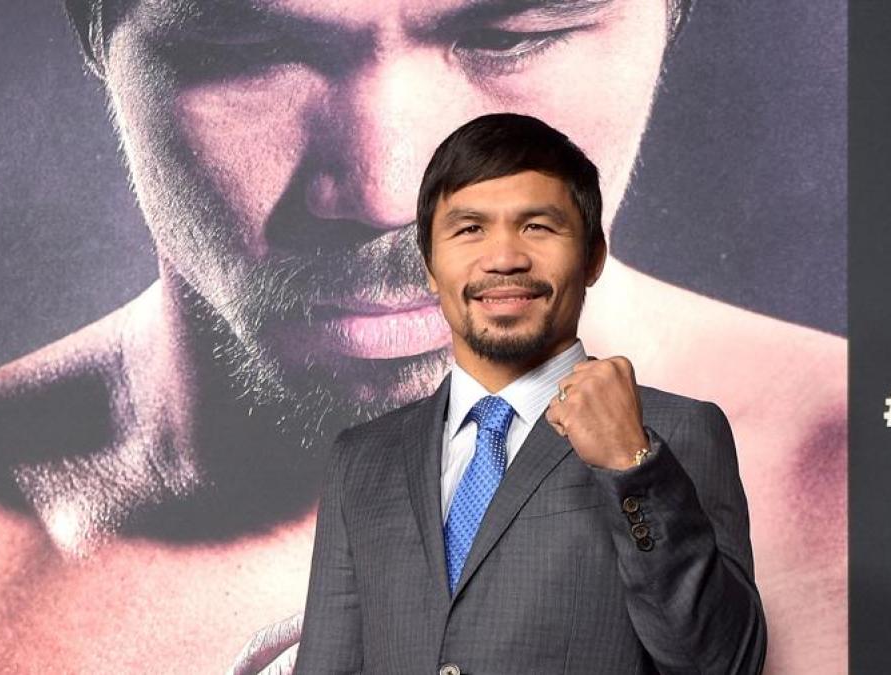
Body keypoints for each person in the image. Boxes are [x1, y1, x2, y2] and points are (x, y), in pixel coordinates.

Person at [0, 0, 841, 672]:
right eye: (245, 45)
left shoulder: (847, 485)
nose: (390, 190)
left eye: (510, 37)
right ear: (94, 33)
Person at [294, 112, 767, 674]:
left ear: (593, 257)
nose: (503, 259)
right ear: (429, 265)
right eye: (469, 229)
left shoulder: (678, 432)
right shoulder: (362, 458)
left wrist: (631, 466)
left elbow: (723, 665)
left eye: (538, 227)